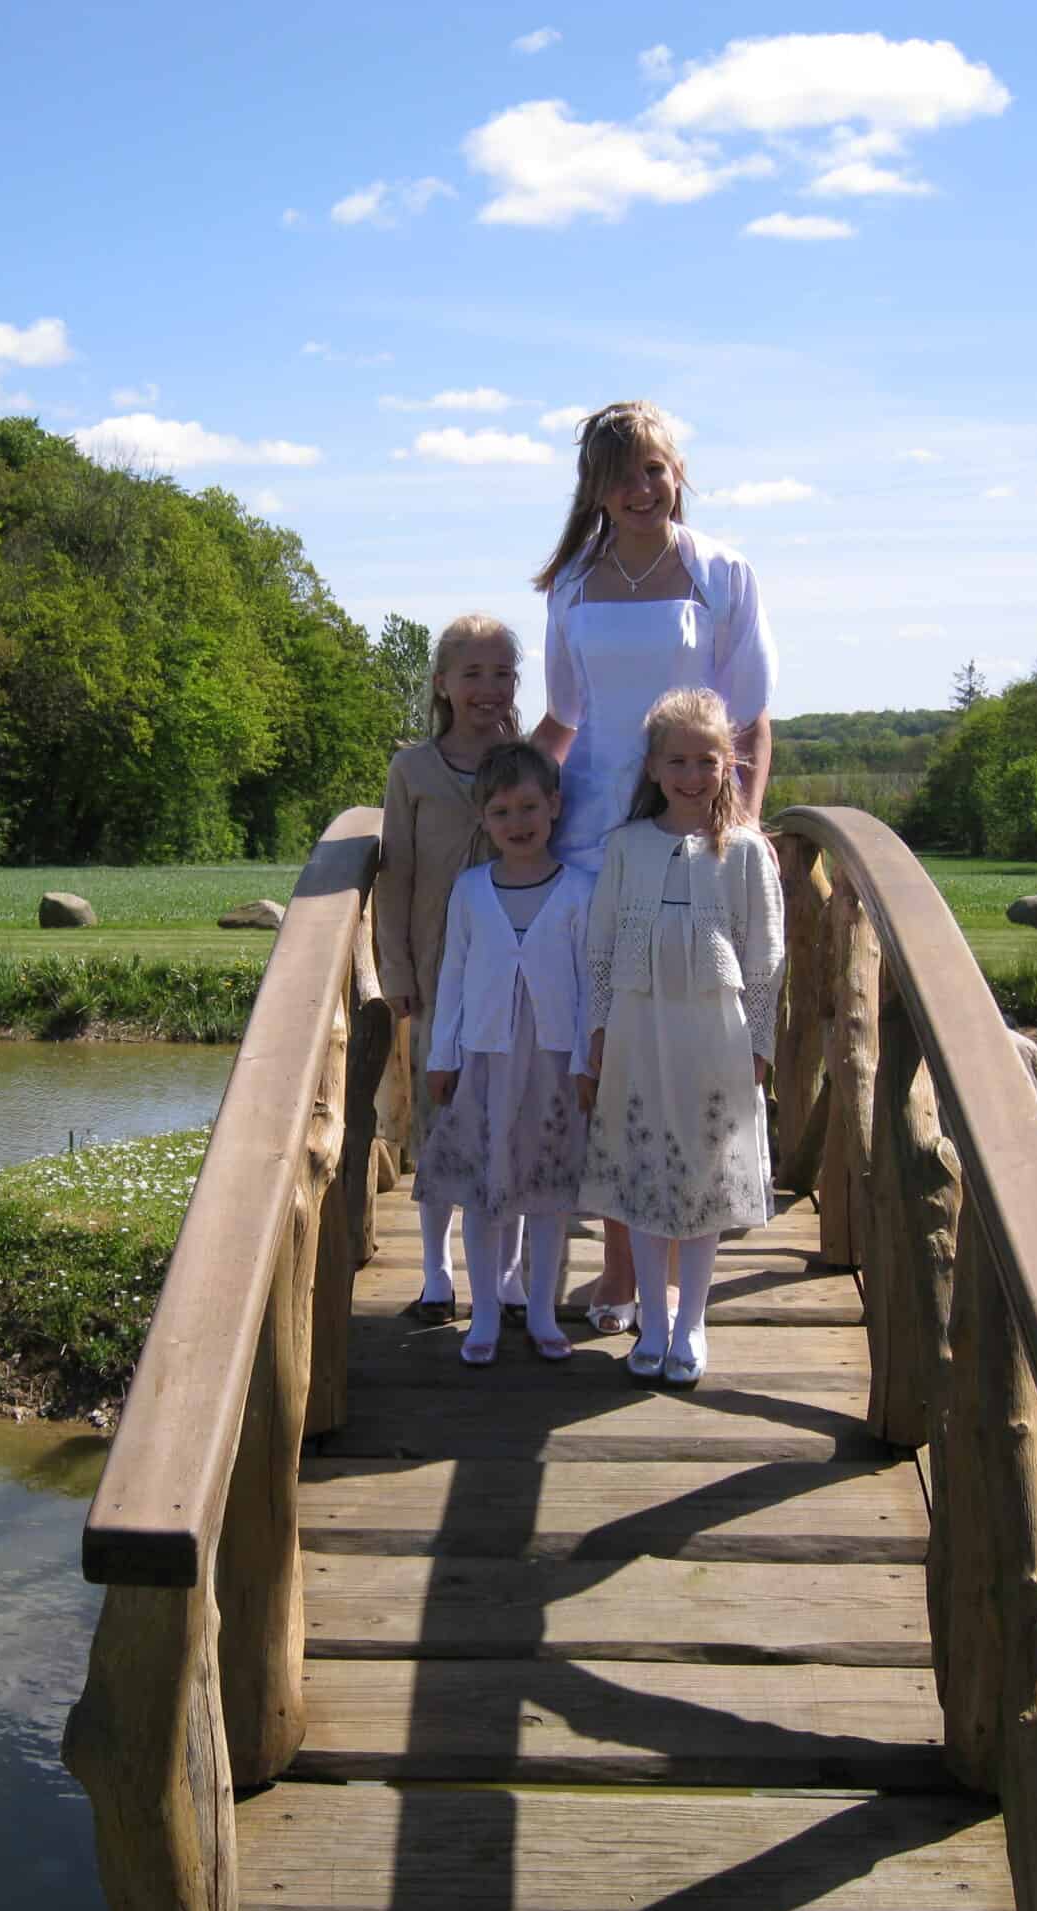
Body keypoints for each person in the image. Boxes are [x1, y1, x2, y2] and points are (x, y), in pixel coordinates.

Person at [530, 401, 778, 1336]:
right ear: (594, 488)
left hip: (691, 832)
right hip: (597, 840)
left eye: (655, 470)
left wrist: (740, 827)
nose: (641, 489)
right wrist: (493, 799)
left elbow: (750, 719)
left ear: (678, 475)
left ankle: (676, 1271)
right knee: (610, 1051)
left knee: (683, 1050)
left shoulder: (722, 574)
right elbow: (564, 721)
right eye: (621, 474)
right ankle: (619, 1267)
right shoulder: (572, 585)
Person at [573, 688, 785, 1386]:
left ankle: (691, 1319)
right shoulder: (626, 846)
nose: (692, 776)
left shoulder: (745, 852)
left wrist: (760, 1045)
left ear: (729, 764)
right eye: (677, 762)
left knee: (703, 1172)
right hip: (638, 1030)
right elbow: (600, 947)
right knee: (644, 1167)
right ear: (654, 768)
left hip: (713, 1035)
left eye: (706, 761)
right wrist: (597, 1028)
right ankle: (653, 1325)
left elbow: (766, 957)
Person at [417, 741, 592, 1366]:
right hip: (484, 1057)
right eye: (501, 812)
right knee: (483, 1188)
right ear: (483, 819)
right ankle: (484, 1311)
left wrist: (586, 1062)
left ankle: (541, 1311)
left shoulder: (580, 890)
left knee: (546, 1190)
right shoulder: (470, 890)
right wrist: (442, 1055)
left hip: (553, 1060)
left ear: (554, 807)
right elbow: (454, 973)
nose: (517, 823)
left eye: (528, 808)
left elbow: (590, 984)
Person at [374, 613, 522, 1323]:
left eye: (502, 673)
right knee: (441, 1122)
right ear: (441, 684)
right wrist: (396, 970)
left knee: (513, 1124)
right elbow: (395, 875)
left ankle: (511, 1276)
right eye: (473, 674)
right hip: (438, 977)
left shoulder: (526, 762)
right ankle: (437, 1272)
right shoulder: (412, 770)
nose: (488, 688)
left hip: (516, 980)